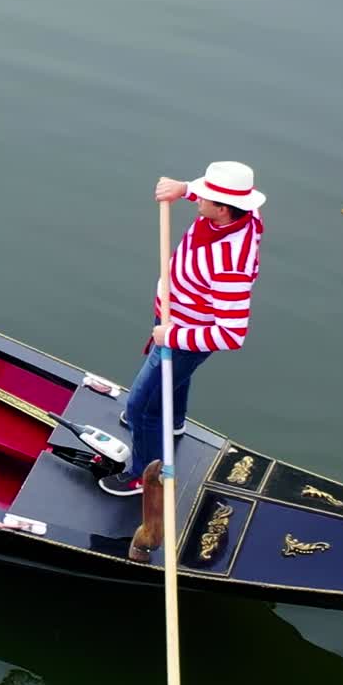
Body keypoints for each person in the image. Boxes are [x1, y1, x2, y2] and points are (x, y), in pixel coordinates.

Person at [98, 160, 265, 496]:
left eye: (203, 195)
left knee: (140, 408)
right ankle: (172, 425)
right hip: (174, 319)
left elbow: (231, 335)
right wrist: (184, 189)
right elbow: (211, 198)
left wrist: (170, 336)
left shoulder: (229, 265)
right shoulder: (241, 213)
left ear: (221, 208)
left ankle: (143, 476)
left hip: (185, 336)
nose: (197, 198)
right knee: (173, 384)